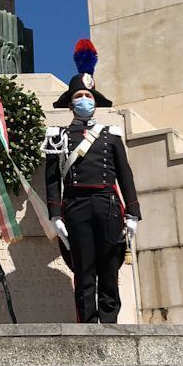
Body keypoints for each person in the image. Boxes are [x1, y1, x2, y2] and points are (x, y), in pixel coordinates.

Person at [42, 39, 141, 324]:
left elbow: (125, 174)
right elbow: (51, 179)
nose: (83, 100)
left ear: (95, 101)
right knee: (83, 268)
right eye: (78, 96)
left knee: (109, 266)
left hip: (109, 206)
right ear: (70, 103)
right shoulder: (57, 135)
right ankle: (87, 322)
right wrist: (55, 214)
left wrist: (132, 212)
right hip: (76, 206)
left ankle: (109, 321)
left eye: (88, 95)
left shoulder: (111, 134)